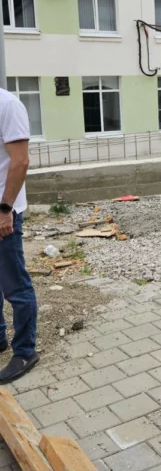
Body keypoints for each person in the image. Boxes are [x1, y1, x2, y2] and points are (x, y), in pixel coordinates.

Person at [0, 87, 38, 384]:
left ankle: (25, 351)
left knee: (15, 286)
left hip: (3, 213)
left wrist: (5, 210)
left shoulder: (8, 105)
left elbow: (20, 161)